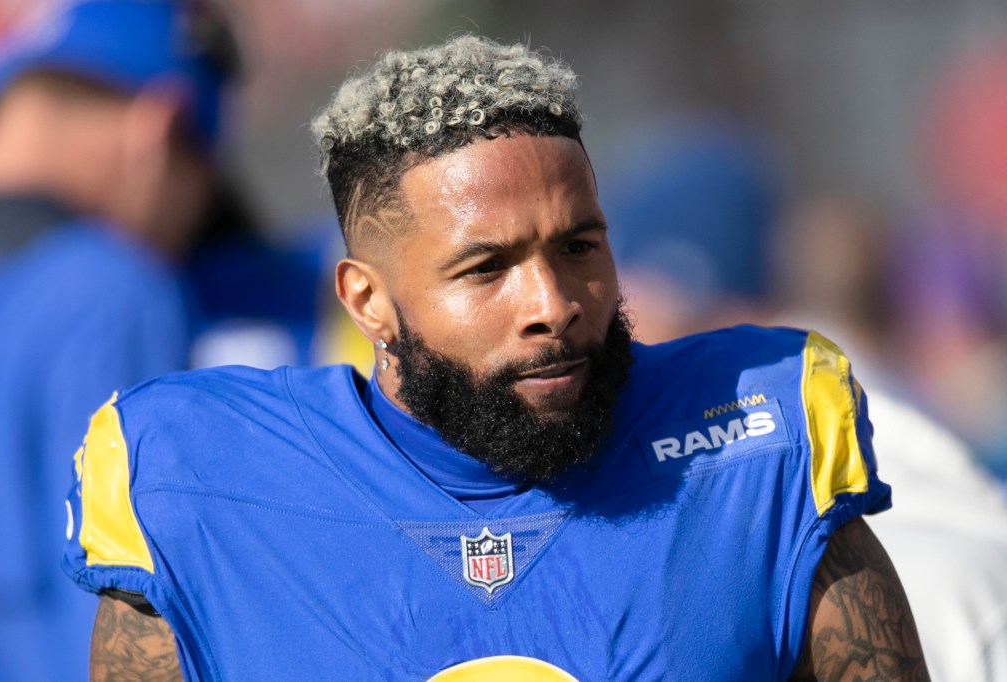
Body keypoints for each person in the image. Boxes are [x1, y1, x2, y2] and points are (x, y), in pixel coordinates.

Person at [63, 35, 929, 680]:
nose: (552, 305)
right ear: (367, 300)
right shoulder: (191, 485)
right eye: (486, 268)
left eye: (580, 246)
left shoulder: (757, 438)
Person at [0, 1, 237, 679]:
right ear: (161, 126)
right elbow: (119, 603)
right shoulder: (113, 291)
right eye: (203, 202)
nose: (186, 241)